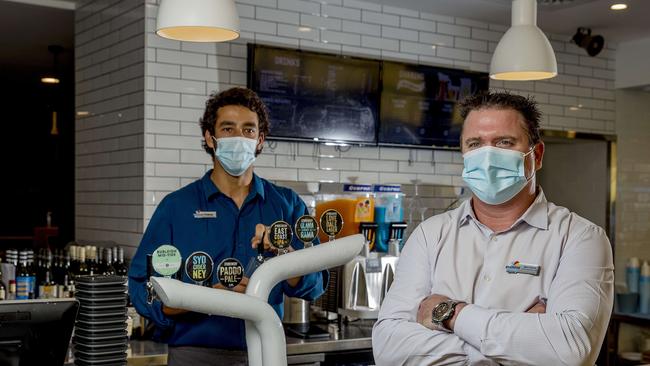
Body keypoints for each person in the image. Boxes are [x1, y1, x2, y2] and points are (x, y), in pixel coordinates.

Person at [372, 91, 614, 365]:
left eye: (504, 142)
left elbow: (569, 350)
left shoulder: (580, 238)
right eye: (475, 144)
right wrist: (519, 343)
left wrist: (450, 313)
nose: (487, 157)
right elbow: (388, 348)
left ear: (537, 154)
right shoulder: (430, 235)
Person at [129, 87, 328, 365]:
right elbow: (141, 286)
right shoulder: (176, 207)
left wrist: (285, 256)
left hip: (266, 351)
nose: (239, 138)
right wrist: (204, 297)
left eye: (248, 130)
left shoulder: (286, 205)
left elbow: (316, 283)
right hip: (194, 355)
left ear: (260, 140)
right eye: (228, 129)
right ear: (210, 138)